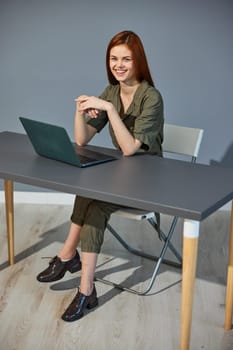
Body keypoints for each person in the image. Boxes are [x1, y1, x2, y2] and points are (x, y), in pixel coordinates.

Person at [37, 30, 164, 322]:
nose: (118, 65)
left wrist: (108, 109)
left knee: (95, 209)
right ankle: (70, 259)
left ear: (138, 61)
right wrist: (80, 112)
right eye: (113, 59)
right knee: (86, 190)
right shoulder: (110, 92)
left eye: (126, 59)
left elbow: (130, 148)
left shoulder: (151, 97)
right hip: (122, 175)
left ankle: (84, 289)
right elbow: (82, 141)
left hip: (150, 181)